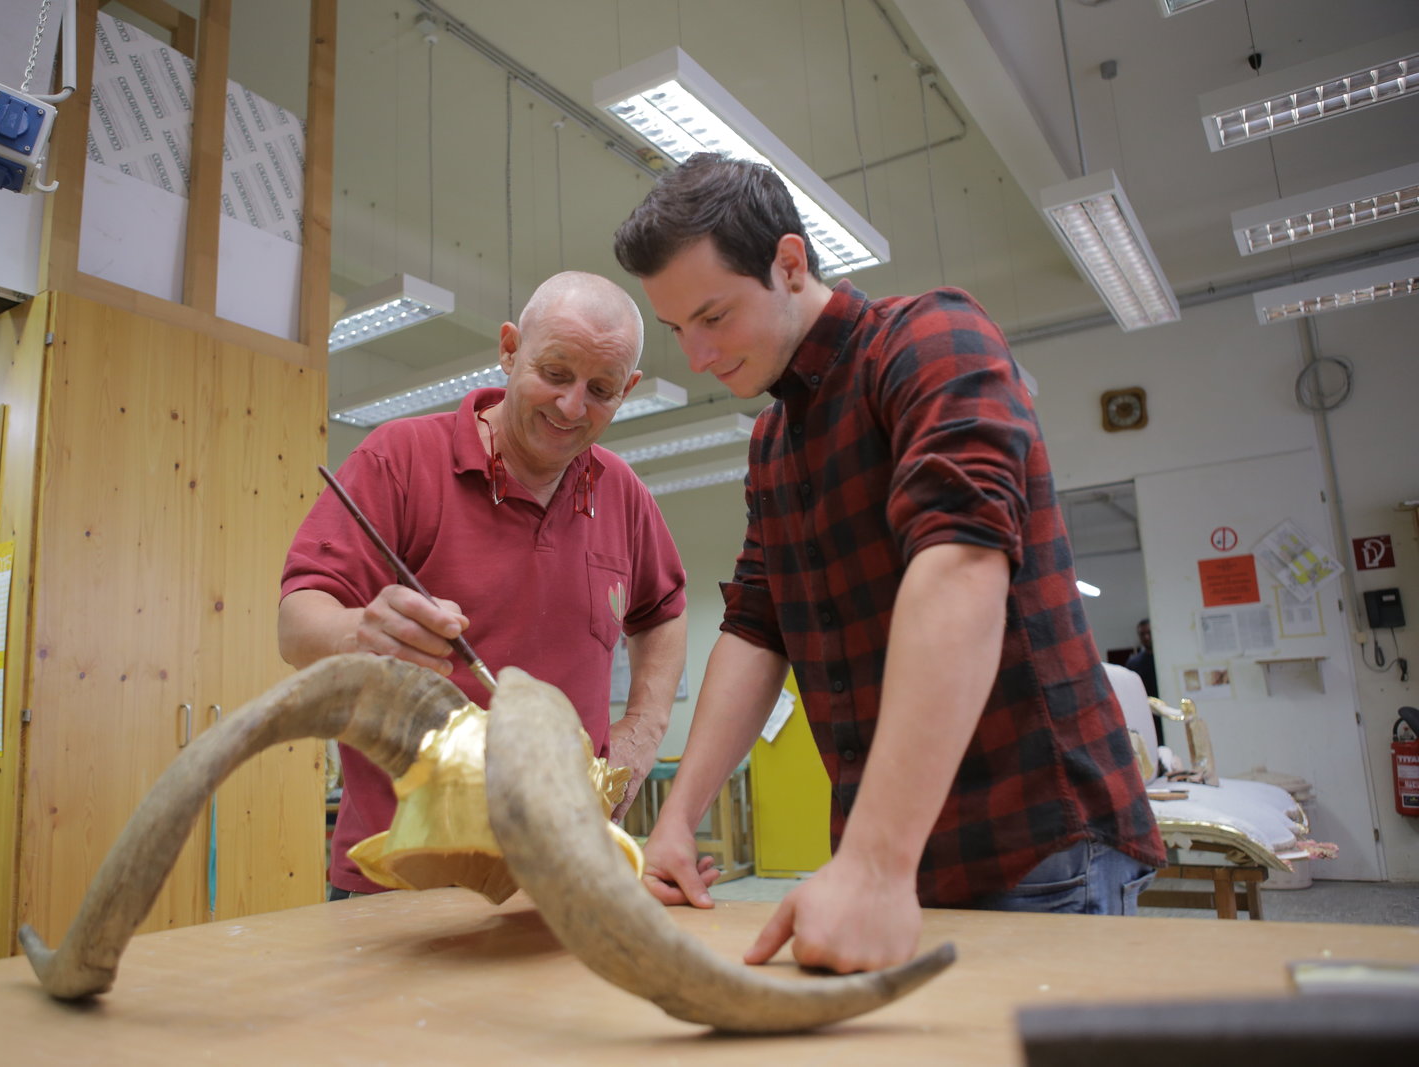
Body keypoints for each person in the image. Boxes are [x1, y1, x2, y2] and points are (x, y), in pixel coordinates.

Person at [612, 154, 1164, 973]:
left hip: (1035, 843)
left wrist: (874, 861)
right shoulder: (773, 442)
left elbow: (960, 568)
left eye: (713, 316)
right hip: (898, 855)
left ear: (789, 264)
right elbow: (756, 628)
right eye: (676, 330)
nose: (696, 356)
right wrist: (675, 821)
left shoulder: (929, 340)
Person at [279, 271, 689, 899]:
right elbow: (296, 624)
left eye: (601, 390)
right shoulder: (399, 458)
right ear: (509, 349)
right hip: (403, 877)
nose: (572, 407)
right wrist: (360, 633)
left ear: (627, 389)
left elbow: (663, 612)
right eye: (554, 373)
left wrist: (644, 724)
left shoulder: (622, 493)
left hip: (563, 872)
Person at [1125, 619, 1163, 744]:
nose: (1146, 637)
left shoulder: (1165, 658)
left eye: (1149, 633)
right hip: (1147, 714)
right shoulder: (1134, 663)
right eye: (1142, 634)